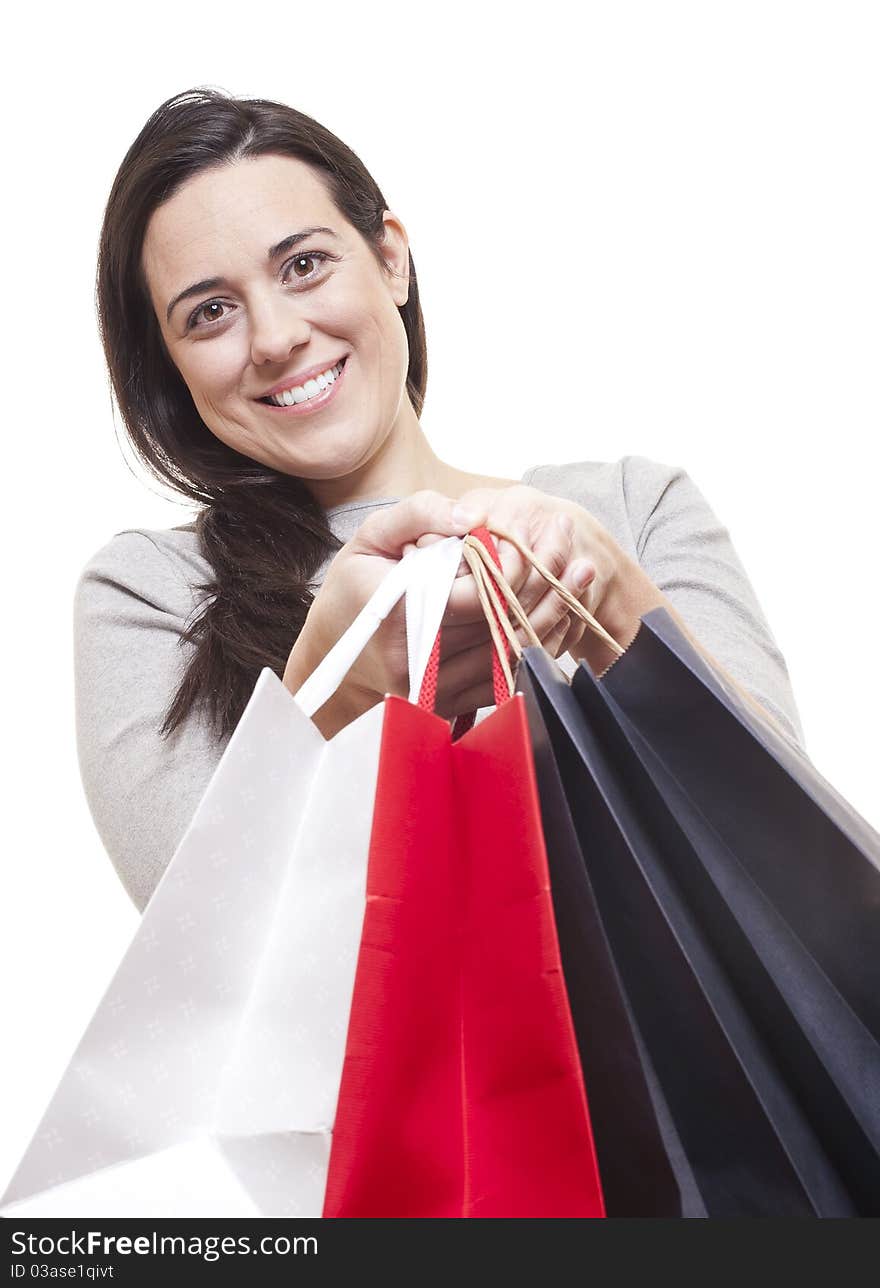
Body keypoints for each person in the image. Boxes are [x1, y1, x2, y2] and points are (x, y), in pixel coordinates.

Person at [75, 87, 805, 914]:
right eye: (211, 313)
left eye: (304, 265)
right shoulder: (153, 592)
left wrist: (614, 607)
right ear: (169, 365)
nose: (276, 337)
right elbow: (194, 966)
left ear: (391, 258)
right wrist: (331, 696)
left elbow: (800, 863)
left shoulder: (630, 509)